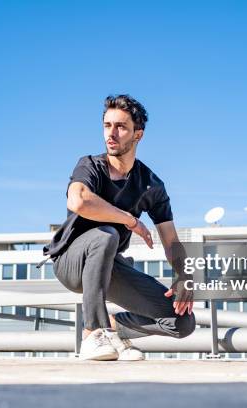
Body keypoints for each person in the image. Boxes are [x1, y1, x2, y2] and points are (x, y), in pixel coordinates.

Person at [42, 94, 195, 361]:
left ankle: (115, 329)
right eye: (107, 125)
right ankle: (92, 333)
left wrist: (185, 275)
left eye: (121, 127)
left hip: (109, 265)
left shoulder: (151, 185)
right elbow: (79, 200)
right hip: (70, 261)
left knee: (183, 321)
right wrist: (130, 220)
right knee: (107, 234)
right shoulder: (90, 166)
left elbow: (171, 241)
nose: (111, 134)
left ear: (138, 135)